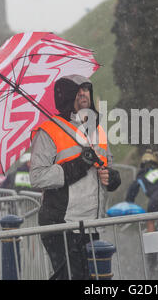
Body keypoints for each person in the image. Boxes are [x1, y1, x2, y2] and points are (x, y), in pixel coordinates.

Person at [29, 74, 121, 280]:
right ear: (65, 98)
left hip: (90, 225)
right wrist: (79, 164)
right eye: (76, 91)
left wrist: (113, 178)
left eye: (86, 89)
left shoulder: (97, 130)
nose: (83, 94)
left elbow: (109, 167)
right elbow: (37, 177)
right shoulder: (49, 131)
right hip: (61, 225)